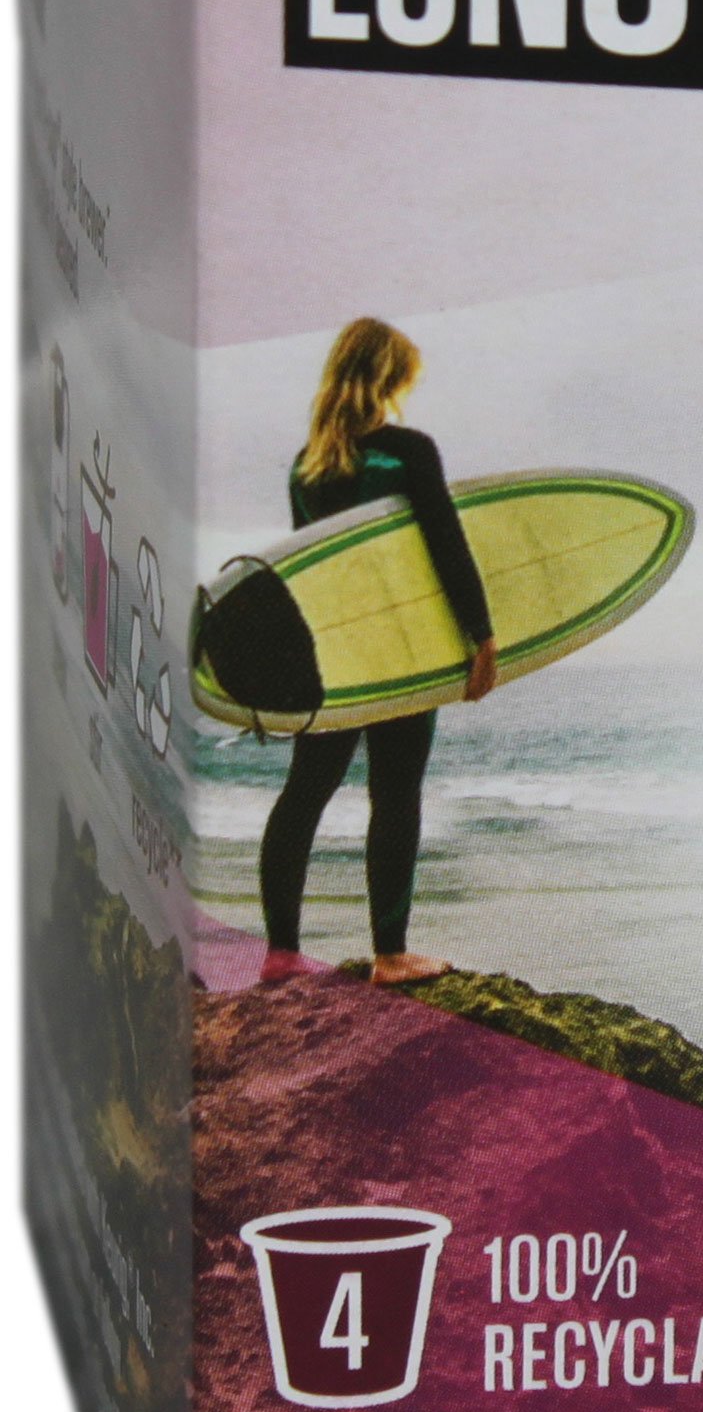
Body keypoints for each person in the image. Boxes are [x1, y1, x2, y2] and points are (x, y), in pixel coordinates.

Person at [255, 319, 496, 986]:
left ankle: (280, 954)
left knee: (304, 793)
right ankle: (390, 954)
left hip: (333, 655)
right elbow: (446, 544)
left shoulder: (307, 466)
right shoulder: (407, 451)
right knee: (394, 794)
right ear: (390, 377)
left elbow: (309, 572)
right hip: (400, 650)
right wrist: (481, 634)